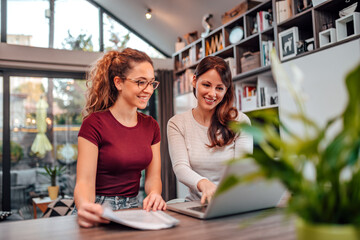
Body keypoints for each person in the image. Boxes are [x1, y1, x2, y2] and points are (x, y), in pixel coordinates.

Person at [74, 48, 166, 228]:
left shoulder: (151, 126)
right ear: (119, 83)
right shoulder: (94, 123)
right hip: (99, 209)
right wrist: (85, 207)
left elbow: (153, 177)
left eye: (151, 83)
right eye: (140, 82)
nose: (148, 90)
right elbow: (84, 182)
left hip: (134, 208)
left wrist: (154, 194)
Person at [167, 56, 253, 204]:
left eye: (219, 88)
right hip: (197, 204)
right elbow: (181, 168)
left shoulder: (240, 121)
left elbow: (241, 169)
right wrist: (204, 184)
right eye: (206, 85)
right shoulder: (177, 123)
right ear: (194, 81)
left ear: (226, 90)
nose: (212, 94)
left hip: (233, 202)